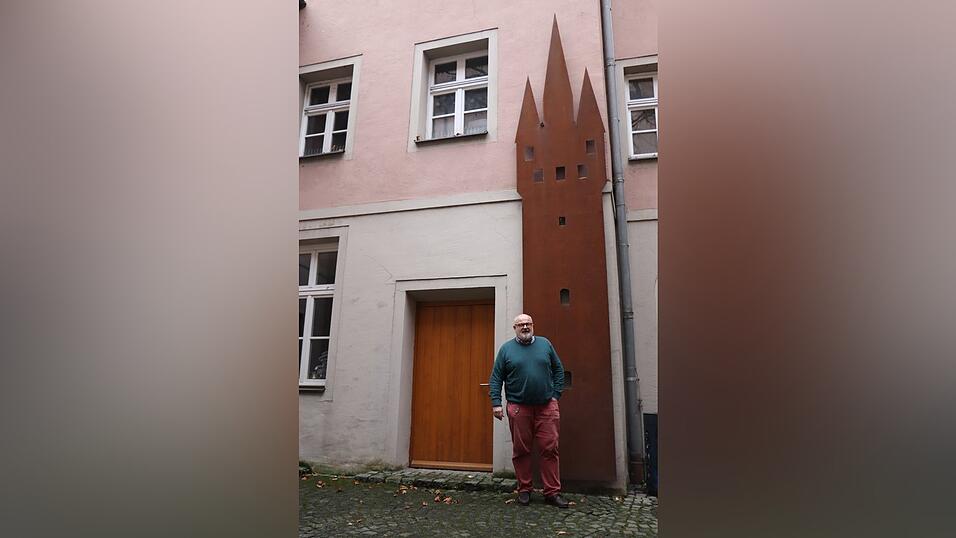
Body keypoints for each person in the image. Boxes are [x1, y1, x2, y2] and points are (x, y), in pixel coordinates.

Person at [488, 313, 569, 508]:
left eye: (528, 324)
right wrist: (496, 403)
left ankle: (552, 492)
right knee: (521, 450)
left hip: (546, 407)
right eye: (521, 324)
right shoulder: (506, 349)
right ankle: (524, 490)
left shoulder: (545, 344)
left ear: (533, 326)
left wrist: (555, 395)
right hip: (518, 407)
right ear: (515, 328)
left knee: (550, 449)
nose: (525, 327)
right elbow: (496, 378)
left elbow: (559, 370)